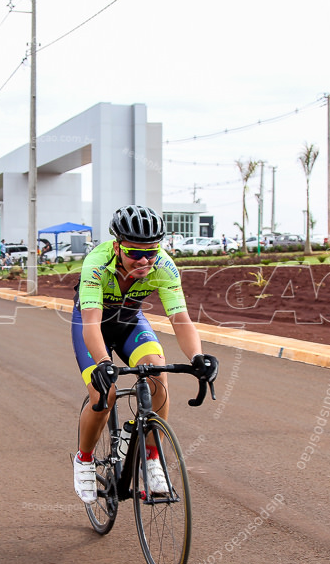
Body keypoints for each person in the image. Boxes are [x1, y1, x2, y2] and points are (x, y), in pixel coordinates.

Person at [71, 205, 219, 504]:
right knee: (105, 394)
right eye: (134, 252)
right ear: (117, 246)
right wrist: (103, 363)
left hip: (130, 324)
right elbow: (90, 323)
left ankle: (152, 459)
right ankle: (84, 460)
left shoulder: (163, 266)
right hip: (93, 325)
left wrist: (198, 357)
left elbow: (180, 318)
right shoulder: (97, 263)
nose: (143, 260)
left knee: (158, 375)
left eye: (151, 252)